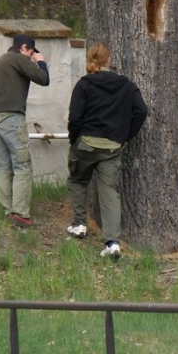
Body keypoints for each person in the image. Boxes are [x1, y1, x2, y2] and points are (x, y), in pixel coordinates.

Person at [66, 42, 148, 258]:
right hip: (112, 148)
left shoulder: (84, 84)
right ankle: (112, 243)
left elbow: (75, 117)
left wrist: (74, 139)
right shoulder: (126, 85)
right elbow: (142, 111)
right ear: (108, 60)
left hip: (85, 144)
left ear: (90, 61)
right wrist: (126, 137)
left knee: (77, 180)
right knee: (110, 192)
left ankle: (79, 225)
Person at [0, 34, 50, 228]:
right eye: (31, 52)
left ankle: (8, 211)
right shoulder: (19, 59)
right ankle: (21, 214)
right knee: (22, 166)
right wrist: (41, 62)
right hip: (13, 120)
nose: (32, 56)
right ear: (24, 48)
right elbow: (43, 79)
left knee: (4, 167)